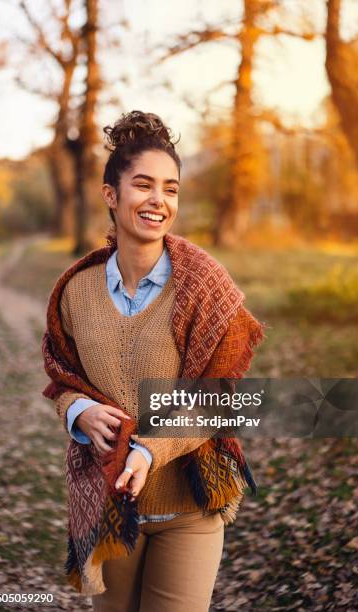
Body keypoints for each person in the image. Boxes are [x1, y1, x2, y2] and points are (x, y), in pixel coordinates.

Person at [42, 110, 264, 612]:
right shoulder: (75, 292)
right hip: (110, 503)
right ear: (110, 195)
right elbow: (62, 378)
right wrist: (78, 412)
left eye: (171, 188)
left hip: (191, 501)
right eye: (143, 185)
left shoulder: (205, 286)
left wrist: (147, 449)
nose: (159, 201)